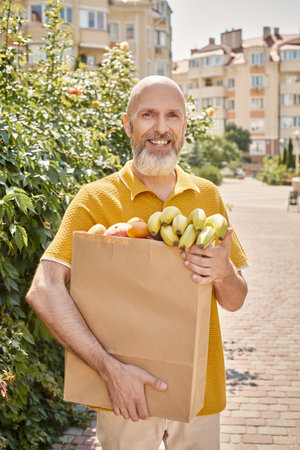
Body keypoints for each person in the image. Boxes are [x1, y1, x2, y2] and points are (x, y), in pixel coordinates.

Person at [26, 76, 248, 450]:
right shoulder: (95, 199)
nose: (161, 128)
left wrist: (224, 273)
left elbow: (235, 299)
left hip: (201, 392)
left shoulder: (207, 197)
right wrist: (110, 370)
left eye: (172, 116)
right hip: (123, 397)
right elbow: (43, 290)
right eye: (148, 115)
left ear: (184, 126)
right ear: (128, 125)